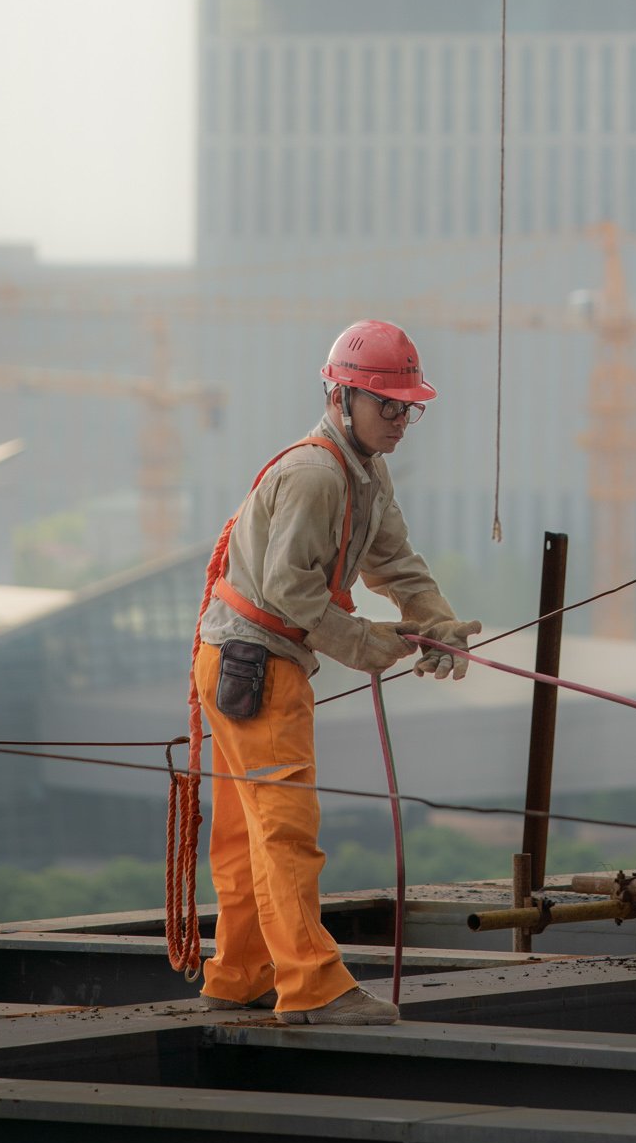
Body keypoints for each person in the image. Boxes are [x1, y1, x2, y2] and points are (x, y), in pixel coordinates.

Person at [193, 320, 480, 1025]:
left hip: (241, 663)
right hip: (257, 667)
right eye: (389, 405)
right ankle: (313, 987)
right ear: (342, 396)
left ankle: (243, 971)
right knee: (284, 830)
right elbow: (291, 591)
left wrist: (435, 622)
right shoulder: (317, 475)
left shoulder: (363, 472)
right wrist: (369, 644)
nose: (403, 420)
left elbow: (395, 561)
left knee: (246, 832)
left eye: (409, 407)